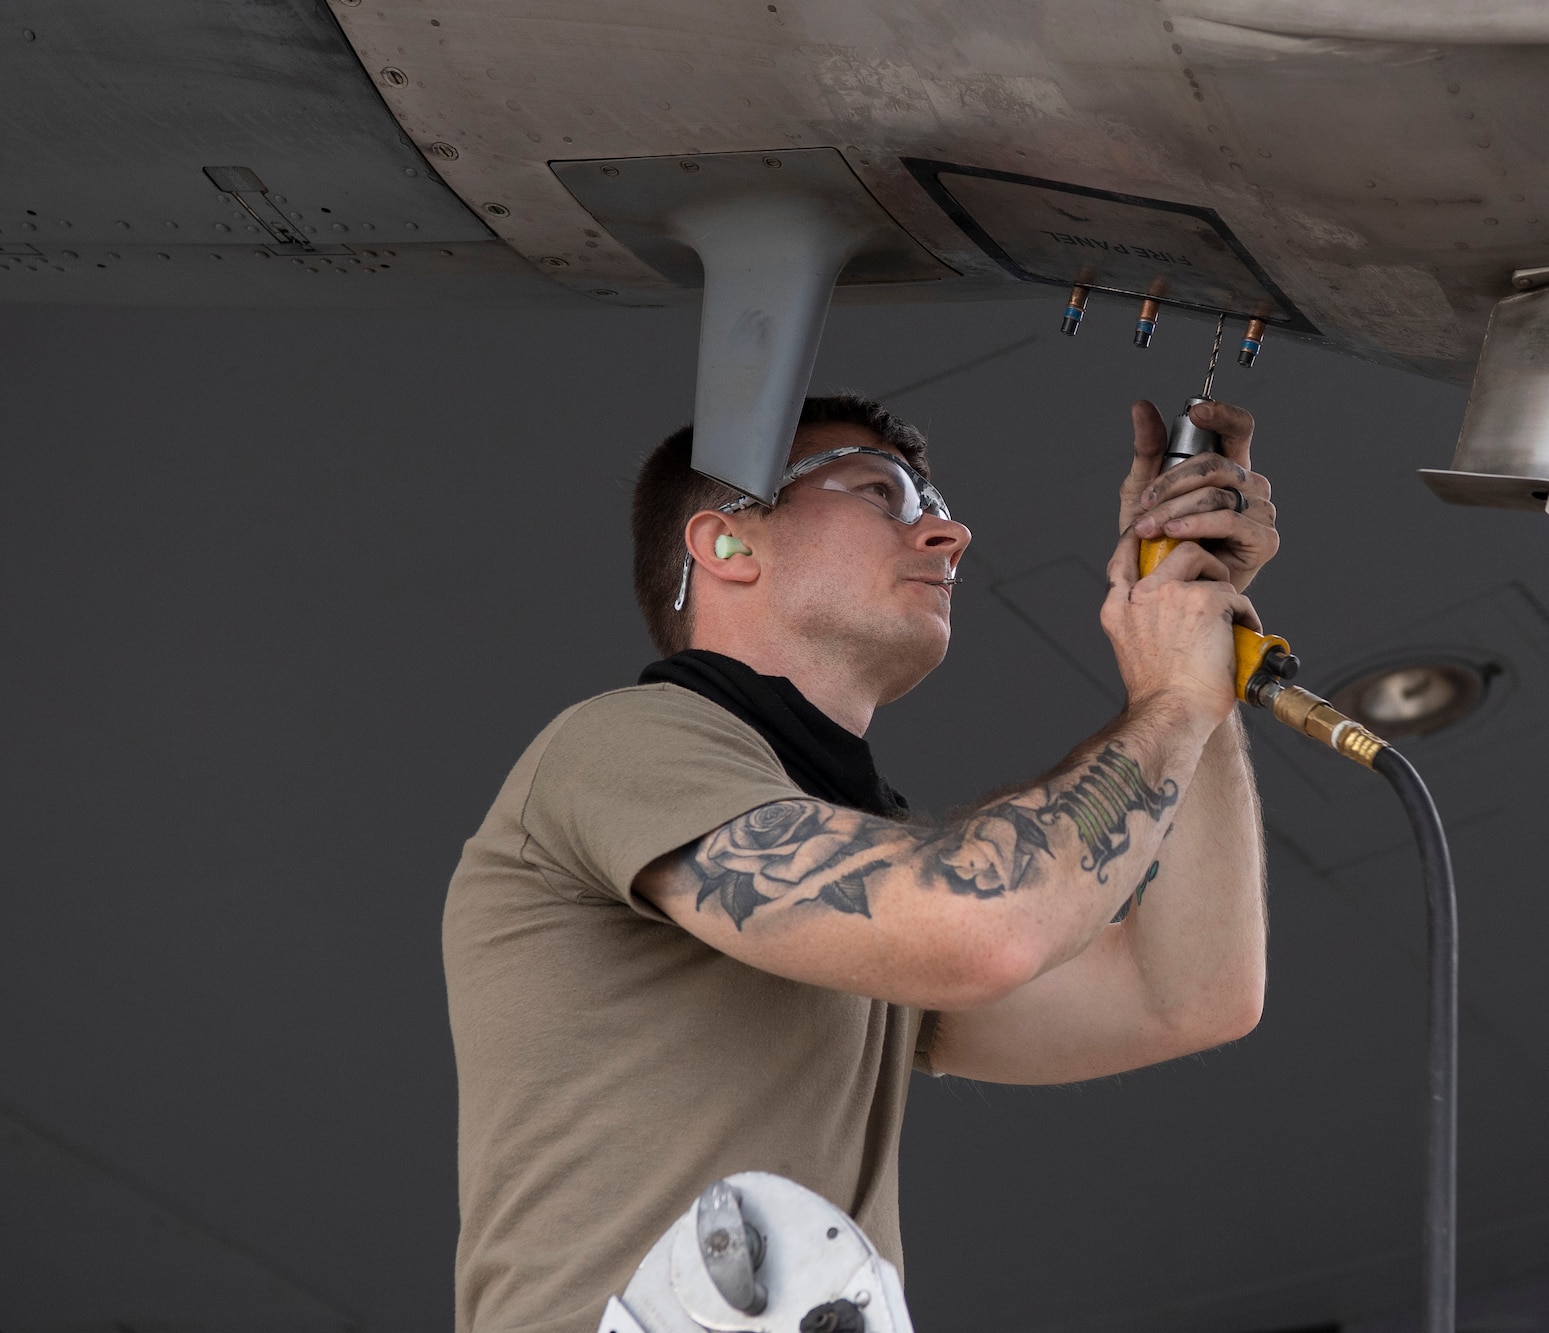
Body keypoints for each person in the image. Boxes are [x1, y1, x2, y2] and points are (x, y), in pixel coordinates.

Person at [444, 392, 1281, 1332]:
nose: (949, 533)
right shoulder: (623, 746)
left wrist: (1198, 664)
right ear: (726, 545)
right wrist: (1164, 700)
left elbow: (1192, 992)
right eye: (882, 494)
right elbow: (986, 931)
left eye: (933, 503)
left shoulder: (858, 875)